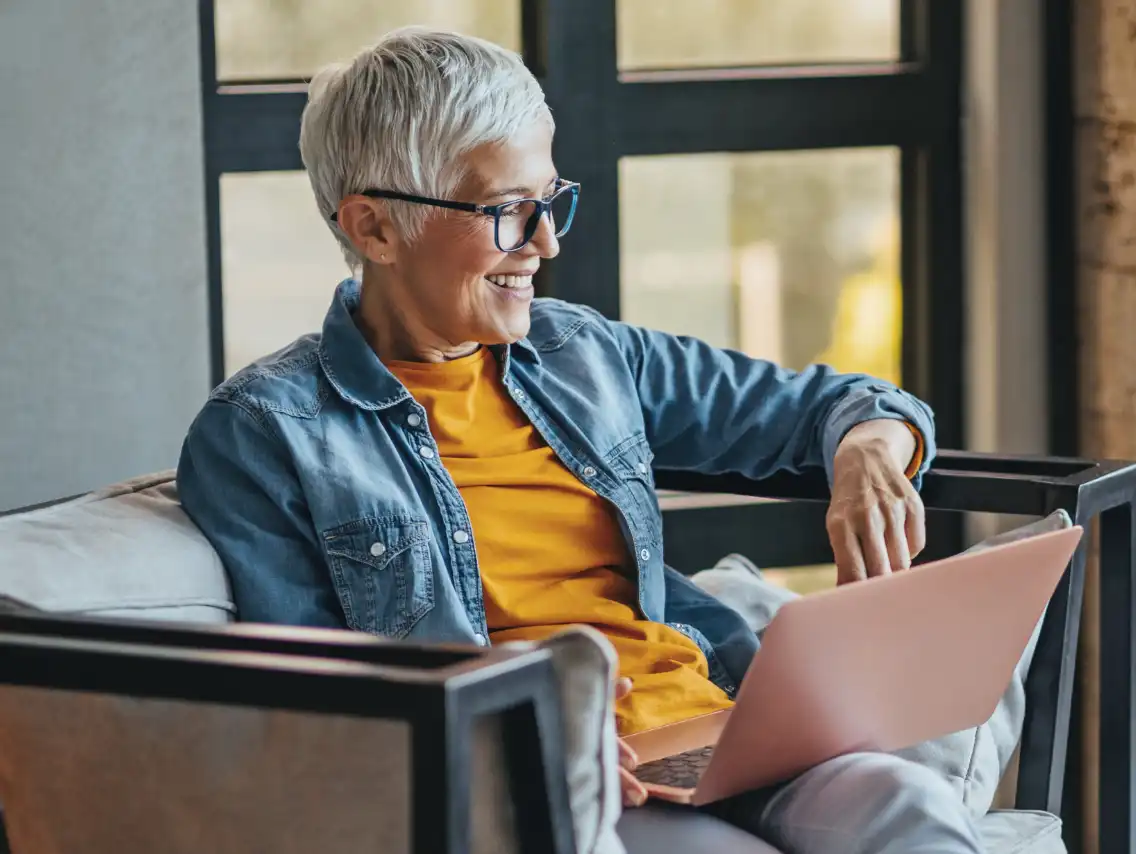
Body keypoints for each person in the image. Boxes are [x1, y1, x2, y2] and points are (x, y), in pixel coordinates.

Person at [177, 27, 977, 854]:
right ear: (374, 227)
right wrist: (538, 742)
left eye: (550, 200)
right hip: (542, 784)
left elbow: (845, 402)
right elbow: (324, 707)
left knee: (909, 808)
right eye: (505, 212)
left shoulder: (582, 354)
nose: (547, 242)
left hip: (722, 734)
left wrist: (868, 457)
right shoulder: (265, 434)